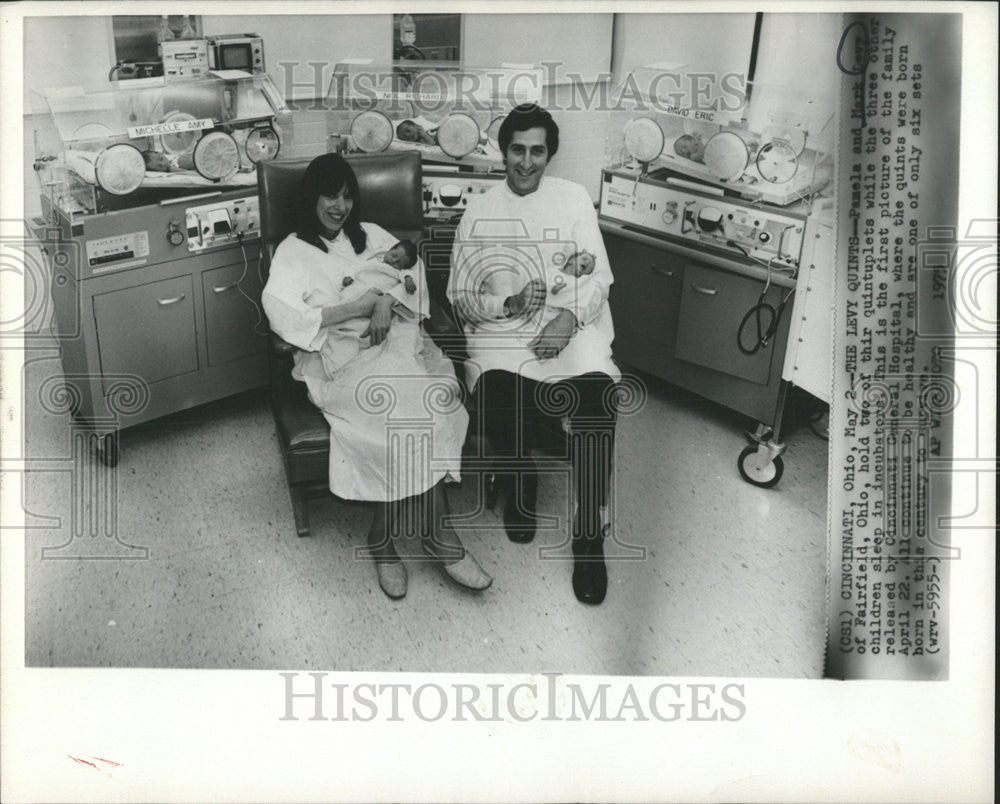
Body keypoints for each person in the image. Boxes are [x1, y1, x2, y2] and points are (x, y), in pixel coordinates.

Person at [262, 153, 491, 599]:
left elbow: (415, 278)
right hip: (338, 359)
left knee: (428, 398)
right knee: (402, 406)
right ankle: (424, 539)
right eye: (330, 195)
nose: (340, 206)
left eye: (348, 196)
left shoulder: (374, 237)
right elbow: (282, 315)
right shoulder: (293, 251)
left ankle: (391, 536)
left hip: (398, 343)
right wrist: (359, 306)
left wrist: (386, 299)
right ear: (312, 196)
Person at [447, 104, 620, 605]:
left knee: (596, 402)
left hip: (572, 322)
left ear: (550, 154)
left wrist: (569, 320)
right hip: (503, 328)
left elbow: (600, 277)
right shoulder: (479, 209)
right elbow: (460, 296)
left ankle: (589, 537)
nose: (526, 162)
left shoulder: (573, 199)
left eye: (537, 151)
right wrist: (508, 303)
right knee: (502, 387)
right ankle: (519, 478)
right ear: (503, 152)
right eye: (517, 150)